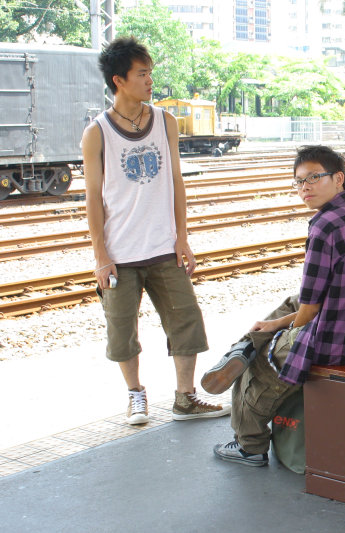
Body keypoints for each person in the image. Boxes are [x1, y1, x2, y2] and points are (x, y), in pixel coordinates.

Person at [202, 145, 345, 467]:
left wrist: (281, 328)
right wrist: (282, 321)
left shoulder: (324, 226)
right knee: (289, 303)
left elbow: (308, 312)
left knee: (260, 366)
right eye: (298, 181)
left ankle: (249, 444)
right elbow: (315, 298)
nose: (304, 187)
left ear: (339, 179)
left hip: (338, 343)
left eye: (313, 178)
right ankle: (251, 341)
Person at [83, 36, 228, 426]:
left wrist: (182, 237)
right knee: (122, 333)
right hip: (119, 254)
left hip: (163, 247)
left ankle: (185, 397)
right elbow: (93, 200)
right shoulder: (97, 132)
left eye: (150, 73)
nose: (150, 81)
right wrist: (100, 256)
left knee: (187, 322)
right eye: (142, 74)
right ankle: (135, 396)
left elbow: (177, 182)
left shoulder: (164, 121)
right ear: (119, 80)